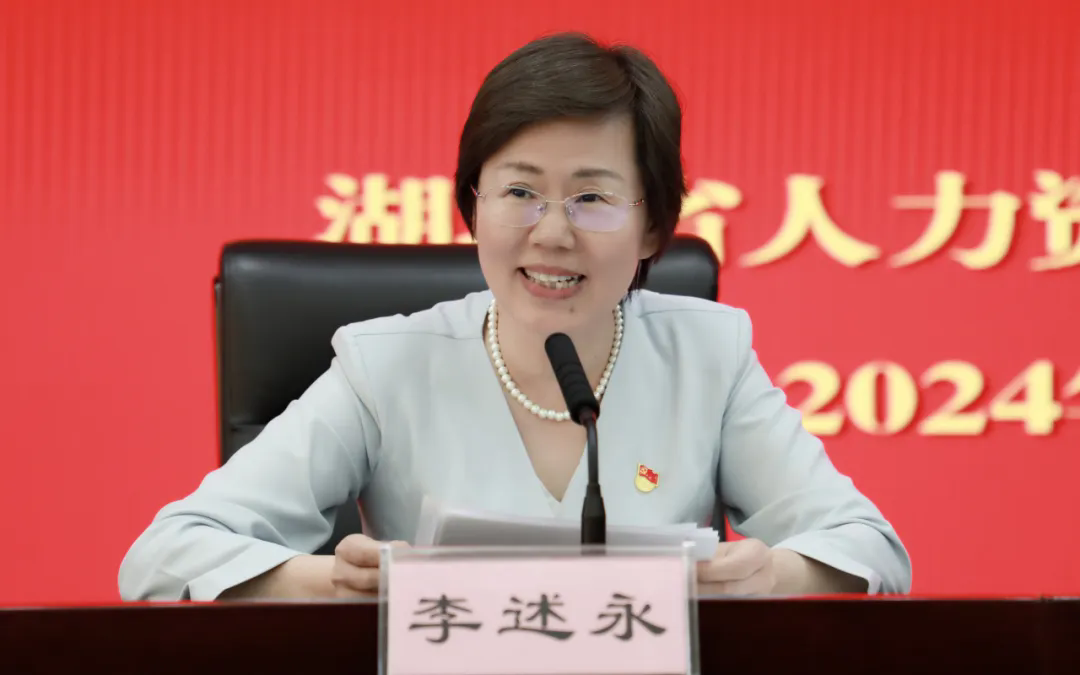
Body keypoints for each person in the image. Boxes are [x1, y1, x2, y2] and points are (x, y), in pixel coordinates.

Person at [118, 32, 911, 602]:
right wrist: (333, 583)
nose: (552, 231)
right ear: (473, 207)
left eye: (592, 196)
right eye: (520, 191)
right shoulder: (385, 365)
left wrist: (770, 574)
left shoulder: (709, 353)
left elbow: (872, 548)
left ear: (653, 227)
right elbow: (162, 557)